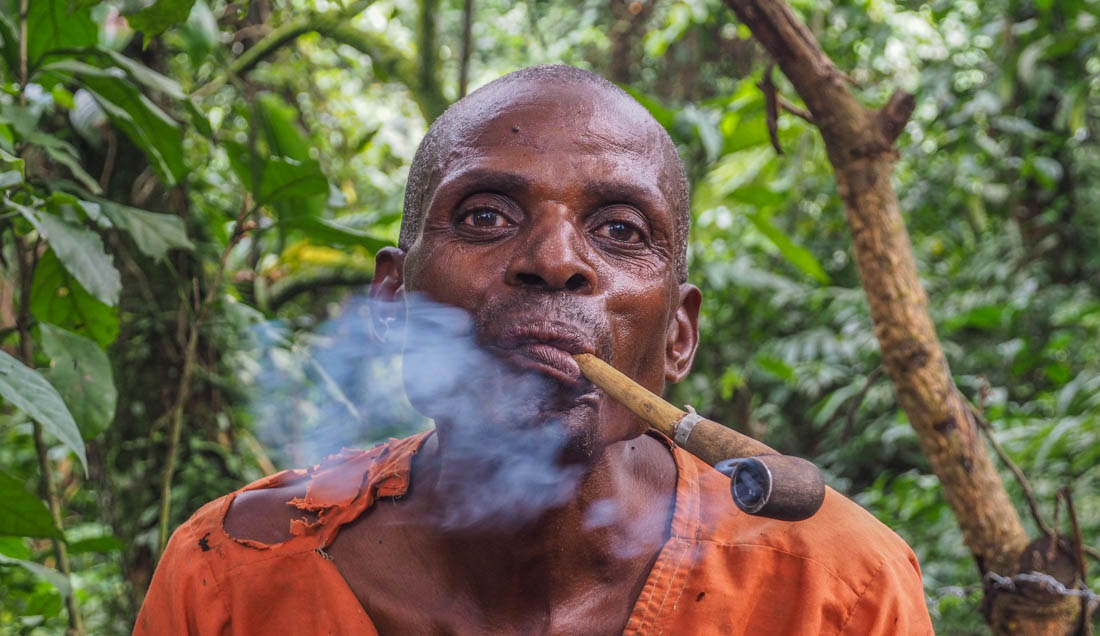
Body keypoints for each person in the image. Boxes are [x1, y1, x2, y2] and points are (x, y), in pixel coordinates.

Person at [135, 65, 934, 635]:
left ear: (678, 334)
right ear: (392, 302)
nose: (555, 260)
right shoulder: (233, 573)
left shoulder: (831, 589)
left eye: (620, 230)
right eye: (485, 216)